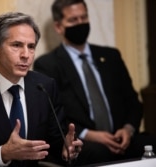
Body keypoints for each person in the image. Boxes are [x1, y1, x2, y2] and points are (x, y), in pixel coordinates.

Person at [0, 12, 83, 167]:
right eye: (17, 45)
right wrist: (3, 154)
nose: (26, 55)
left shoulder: (45, 87)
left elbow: (53, 143)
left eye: (31, 47)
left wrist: (66, 149)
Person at [33, 0, 156, 166]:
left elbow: (133, 102)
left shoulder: (111, 56)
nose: (80, 24)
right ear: (58, 27)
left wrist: (128, 129)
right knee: (97, 153)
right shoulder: (49, 65)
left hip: (122, 138)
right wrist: (90, 135)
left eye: (84, 18)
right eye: (73, 20)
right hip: (86, 142)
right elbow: (53, 115)